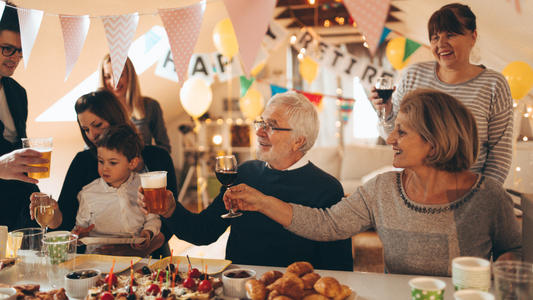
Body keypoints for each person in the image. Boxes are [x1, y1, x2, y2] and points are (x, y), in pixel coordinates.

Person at [225, 89, 522, 277]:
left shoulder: (489, 197)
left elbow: (513, 249)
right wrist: (261, 201)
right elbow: (325, 224)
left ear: (434, 144)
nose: (390, 139)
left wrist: (507, 274)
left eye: (402, 132)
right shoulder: (383, 190)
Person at [137, 91, 353, 271]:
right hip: (239, 286)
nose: (259, 131)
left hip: (293, 292)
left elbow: (339, 268)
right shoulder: (244, 173)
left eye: (271, 126)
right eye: (261, 122)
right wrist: (170, 209)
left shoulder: (327, 189)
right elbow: (204, 231)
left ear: (299, 140)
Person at [371, 3, 513, 185]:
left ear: (473, 37)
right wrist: (387, 111)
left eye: (451, 35)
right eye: (435, 37)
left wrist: (482, 196)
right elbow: (393, 136)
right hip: (415, 190)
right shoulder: (413, 75)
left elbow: (499, 155)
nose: (441, 44)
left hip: (467, 190)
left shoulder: (494, 85)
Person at [51, 89, 177, 257]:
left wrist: (142, 248)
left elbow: (172, 218)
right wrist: (54, 216)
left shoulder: (157, 157)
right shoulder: (83, 162)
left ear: (115, 117)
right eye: (85, 129)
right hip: (99, 259)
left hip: (151, 256)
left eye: (97, 125)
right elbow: (67, 220)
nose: (92, 135)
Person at [72, 124, 160, 254]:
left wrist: (148, 233)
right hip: (97, 258)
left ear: (132, 163)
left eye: (112, 163)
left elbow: (153, 218)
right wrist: (79, 235)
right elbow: (79, 230)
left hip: (134, 257)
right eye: (101, 161)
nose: (104, 168)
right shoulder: (88, 193)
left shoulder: (145, 186)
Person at [0, 2, 47, 230]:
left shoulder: (18, 93)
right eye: (7, 48)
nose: (16, 57)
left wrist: (37, 197)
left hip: (18, 217)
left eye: (20, 50)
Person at [98, 54, 171, 153]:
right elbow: (90, 149)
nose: (114, 82)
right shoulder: (99, 111)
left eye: (119, 75)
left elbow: (164, 147)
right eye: (107, 76)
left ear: (130, 75)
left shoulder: (151, 106)